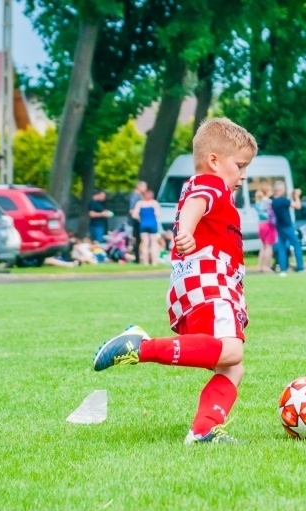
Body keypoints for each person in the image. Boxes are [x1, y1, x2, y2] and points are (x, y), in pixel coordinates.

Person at [92, 117, 258, 444]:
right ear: (214, 160)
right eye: (239, 166)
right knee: (231, 353)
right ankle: (141, 347)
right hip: (210, 282)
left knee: (231, 368)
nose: (242, 175)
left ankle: (204, 429)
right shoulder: (210, 184)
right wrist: (184, 232)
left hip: (199, 287)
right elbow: (198, 203)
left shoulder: (211, 188)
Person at [272, 181, 305, 275]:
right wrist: (297, 196)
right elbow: (297, 206)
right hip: (287, 225)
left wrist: (291, 197)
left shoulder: (274, 201)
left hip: (279, 225)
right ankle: (300, 267)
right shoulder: (283, 200)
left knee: (281, 246)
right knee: (296, 244)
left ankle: (283, 269)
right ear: (281, 189)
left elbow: (286, 203)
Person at [132, 189, 162, 265]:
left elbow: (134, 214)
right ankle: (154, 262)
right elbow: (158, 214)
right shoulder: (154, 203)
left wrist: (140, 218)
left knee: (145, 243)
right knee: (153, 243)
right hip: (152, 224)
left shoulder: (140, 203)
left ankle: (145, 262)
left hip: (143, 224)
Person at [255, 184, 276, 272]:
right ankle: (267, 266)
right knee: (269, 246)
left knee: (263, 246)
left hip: (260, 224)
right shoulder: (269, 202)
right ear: (267, 191)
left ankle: (260, 266)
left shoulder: (258, 202)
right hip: (268, 224)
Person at [129, 181, 148, 262]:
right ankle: (137, 258)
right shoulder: (135, 197)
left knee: (139, 240)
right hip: (136, 222)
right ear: (139, 187)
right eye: (144, 187)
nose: (146, 189)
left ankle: (138, 257)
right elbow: (132, 210)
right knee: (137, 240)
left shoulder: (139, 196)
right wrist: (140, 219)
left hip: (138, 221)